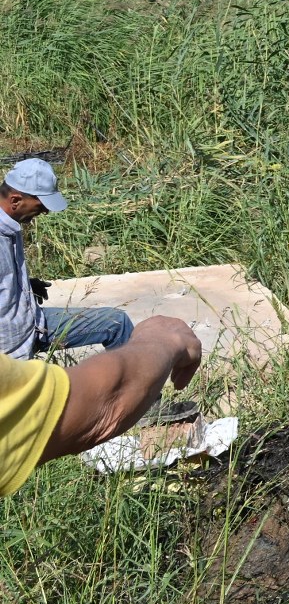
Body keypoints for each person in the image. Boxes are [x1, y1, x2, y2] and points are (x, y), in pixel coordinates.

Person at [0, 314, 202, 496]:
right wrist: (163, 340)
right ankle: (150, 411)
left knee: (117, 323)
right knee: (117, 323)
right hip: (20, 328)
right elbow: (107, 402)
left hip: (32, 316)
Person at [1, 158, 133, 360]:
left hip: (34, 322)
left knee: (116, 322)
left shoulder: (11, 223)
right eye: (41, 205)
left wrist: (23, 286)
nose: (45, 211)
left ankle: (140, 391)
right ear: (16, 200)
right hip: (13, 347)